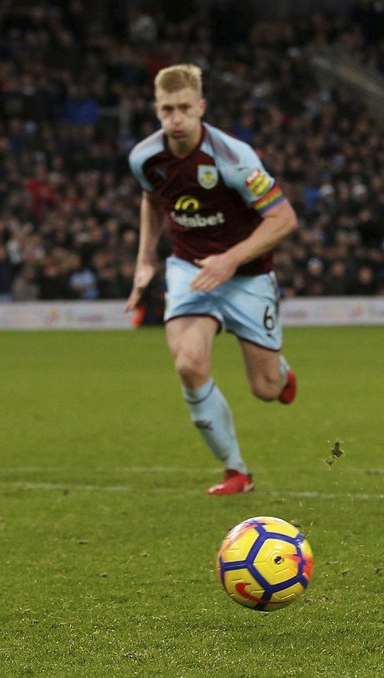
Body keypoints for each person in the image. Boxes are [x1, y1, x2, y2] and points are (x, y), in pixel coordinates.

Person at [125, 64, 299, 495]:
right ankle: (235, 470)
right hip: (188, 268)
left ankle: (279, 369)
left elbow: (284, 217)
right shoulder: (145, 157)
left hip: (248, 274)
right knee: (188, 363)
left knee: (267, 389)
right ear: (156, 110)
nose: (176, 118)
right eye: (167, 110)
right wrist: (145, 258)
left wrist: (229, 261)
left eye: (185, 108)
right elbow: (152, 201)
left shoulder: (234, 157)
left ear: (201, 107)